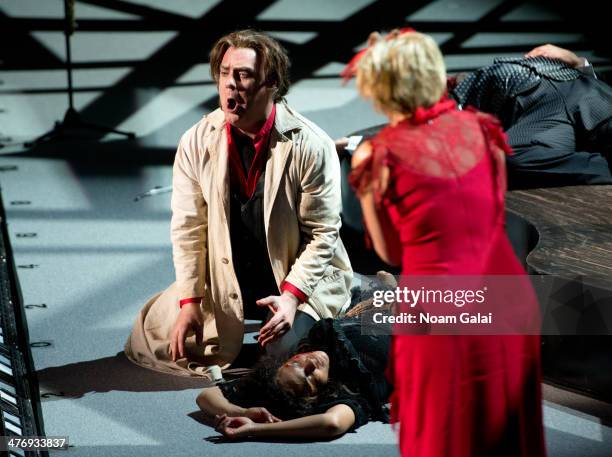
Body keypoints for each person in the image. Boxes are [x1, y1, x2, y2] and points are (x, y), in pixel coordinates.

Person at [350, 32, 546, 456]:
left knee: (446, 433)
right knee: (506, 435)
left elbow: (390, 252)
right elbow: (493, 215)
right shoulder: (483, 129)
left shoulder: (379, 155)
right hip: (507, 301)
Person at [125, 30, 353, 377]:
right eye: (224, 73)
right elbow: (189, 229)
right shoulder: (196, 140)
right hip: (226, 277)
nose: (231, 84)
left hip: (293, 277)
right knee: (166, 341)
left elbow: (322, 235)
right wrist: (190, 301)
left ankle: (360, 287)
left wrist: (292, 296)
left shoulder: (311, 145)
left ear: (271, 83)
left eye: (243, 75)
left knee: (283, 359)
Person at [196, 273, 395, 439]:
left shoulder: (310, 350)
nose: (310, 364)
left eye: (296, 363)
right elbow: (332, 423)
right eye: (310, 379)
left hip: (366, 307)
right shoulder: (350, 390)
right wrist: (255, 429)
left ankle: (383, 291)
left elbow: (206, 396)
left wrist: (243, 412)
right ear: (319, 395)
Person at [451, 44, 612, 189]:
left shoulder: (463, 94)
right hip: (551, 102)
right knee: (508, 159)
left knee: (505, 159)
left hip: (574, 93)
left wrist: (579, 64)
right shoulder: (468, 93)